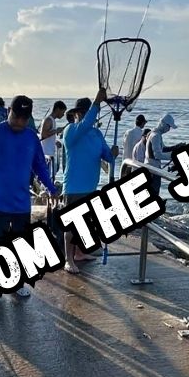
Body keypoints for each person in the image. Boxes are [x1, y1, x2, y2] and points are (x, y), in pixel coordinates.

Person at [0, 95, 58, 298]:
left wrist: (51, 188)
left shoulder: (31, 137)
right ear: (8, 111)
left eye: (24, 117)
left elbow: (39, 166)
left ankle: (17, 281)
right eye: (16, 116)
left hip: (21, 203)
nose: (19, 121)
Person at [61, 90, 117, 274]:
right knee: (71, 225)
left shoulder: (96, 134)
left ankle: (79, 253)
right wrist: (96, 102)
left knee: (85, 222)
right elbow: (85, 124)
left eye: (86, 112)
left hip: (91, 185)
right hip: (74, 187)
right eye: (81, 113)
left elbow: (107, 156)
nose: (84, 116)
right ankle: (68, 260)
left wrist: (113, 154)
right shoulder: (71, 131)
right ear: (76, 114)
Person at [145, 112, 178, 195]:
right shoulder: (155, 136)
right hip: (153, 169)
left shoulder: (155, 134)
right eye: (169, 126)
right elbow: (158, 155)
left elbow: (163, 149)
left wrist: (176, 147)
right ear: (163, 124)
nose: (169, 129)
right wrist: (172, 156)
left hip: (151, 167)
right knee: (154, 193)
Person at [40, 101, 67, 179]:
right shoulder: (48, 120)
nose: (63, 114)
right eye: (63, 112)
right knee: (46, 177)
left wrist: (55, 141)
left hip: (50, 153)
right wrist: (56, 131)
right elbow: (43, 135)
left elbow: (48, 135)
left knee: (50, 176)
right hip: (46, 154)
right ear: (58, 109)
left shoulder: (52, 120)